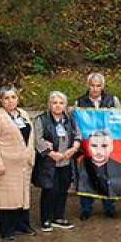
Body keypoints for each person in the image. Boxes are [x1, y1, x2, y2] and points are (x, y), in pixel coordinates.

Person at [0, 85, 36, 239]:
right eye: (6, 98)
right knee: (6, 198)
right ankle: (7, 229)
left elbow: (30, 136)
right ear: (1, 100)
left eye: (13, 97)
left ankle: (23, 224)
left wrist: (31, 155)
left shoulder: (23, 114)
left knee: (22, 196)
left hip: (23, 164)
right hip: (6, 164)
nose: (10, 101)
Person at [76, 72, 121, 221]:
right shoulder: (80, 102)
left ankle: (109, 207)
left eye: (98, 86)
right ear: (87, 86)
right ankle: (86, 208)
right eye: (92, 85)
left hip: (106, 145)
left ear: (103, 86)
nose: (95, 89)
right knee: (86, 176)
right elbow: (75, 123)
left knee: (107, 176)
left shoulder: (112, 100)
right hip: (88, 146)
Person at [33, 91, 80, 232]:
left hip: (66, 161)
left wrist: (73, 149)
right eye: (54, 103)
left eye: (61, 103)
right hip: (49, 162)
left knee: (62, 190)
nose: (58, 106)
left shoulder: (70, 119)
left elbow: (78, 135)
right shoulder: (41, 119)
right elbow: (38, 139)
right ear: (49, 105)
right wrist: (51, 154)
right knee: (49, 190)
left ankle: (58, 217)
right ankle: (46, 219)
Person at [79, 129, 121, 198]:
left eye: (104, 146)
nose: (99, 151)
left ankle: (109, 208)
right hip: (87, 196)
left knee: (109, 202)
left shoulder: (120, 168)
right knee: (86, 199)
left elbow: (119, 191)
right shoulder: (82, 164)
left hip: (109, 195)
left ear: (111, 147)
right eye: (94, 146)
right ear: (88, 147)